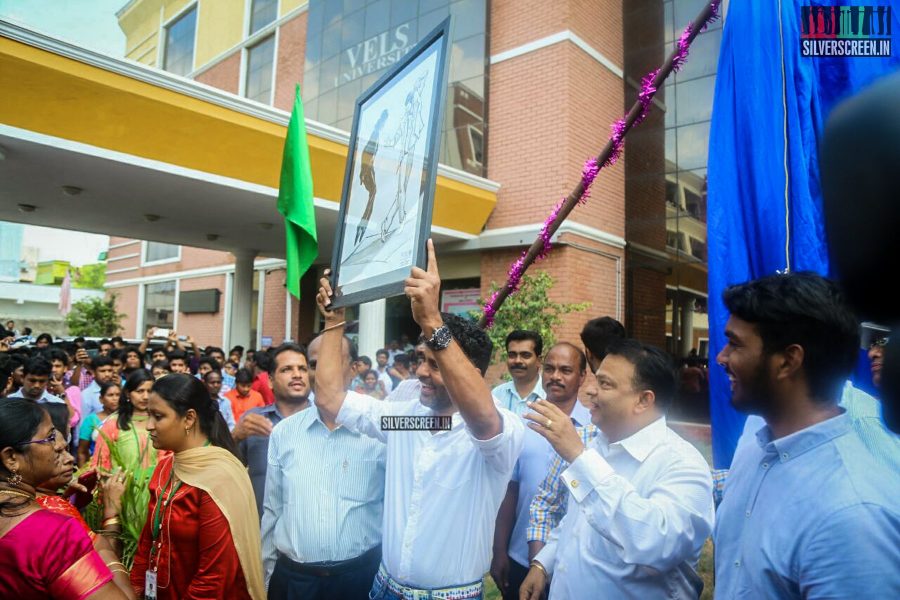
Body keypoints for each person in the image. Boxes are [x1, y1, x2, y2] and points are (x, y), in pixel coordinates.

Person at [315, 239, 524, 598]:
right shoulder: (407, 419)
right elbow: (331, 400)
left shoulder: (500, 431)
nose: (421, 372)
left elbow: (483, 423)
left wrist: (431, 319)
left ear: (470, 371)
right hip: (383, 587)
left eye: (435, 363)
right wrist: (335, 321)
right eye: (420, 359)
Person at [713, 272, 900, 598]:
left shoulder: (853, 515)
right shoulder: (755, 446)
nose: (721, 358)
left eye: (735, 343)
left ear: (788, 361)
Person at [520, 339, 714, 599]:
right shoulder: (599, 444)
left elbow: (655, 541)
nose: (591, 391)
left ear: (643, 400)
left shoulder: (681, 464)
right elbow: (578, 522)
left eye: (605, 384)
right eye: (596, 380)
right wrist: (543, 564)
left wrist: (578, 456)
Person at [262, 342, 385, 599]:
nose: (321, 373)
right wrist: (265, 578)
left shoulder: (380, 431)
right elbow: (273, 512)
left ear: (353, 369)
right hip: (296, 582)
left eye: (332, 362)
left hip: (361, 579)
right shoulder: (284, 433)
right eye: (314, 365)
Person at [130, 374, 265, 599]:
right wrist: (134, 591)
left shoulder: (219, 477)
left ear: (189, 418)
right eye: (148, 416)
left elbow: (215, 575)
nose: (149, 426)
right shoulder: (164, 468)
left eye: (158, 416)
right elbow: (148, 543)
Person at [0, 399, 133, 599]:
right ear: (11, 458)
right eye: (50, 437)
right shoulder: (54, 534)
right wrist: (101, 539)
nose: (61, 443)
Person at [491, 343, 591, 600]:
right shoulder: (521, 425)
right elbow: (509, 491)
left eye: (566, 370)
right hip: (520, 556)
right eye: (550, 369)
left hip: (575, 563)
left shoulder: (594, 430)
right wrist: (499, 550)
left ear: (582, 377)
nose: (555, 376)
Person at [234, 343, 319, 517]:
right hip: (261, 532)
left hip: (311, 531)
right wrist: (235, 436)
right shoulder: (253, 420)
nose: (297, 375)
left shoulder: (324, 421)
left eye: (302, 369)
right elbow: (224, 469)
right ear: (270, 381)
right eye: (287, 369)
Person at [92, 369, 161, 473]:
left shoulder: (161, 421)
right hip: (122, 486)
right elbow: (101, 462)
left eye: (150, 391)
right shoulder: (114, 423)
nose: (146, 397)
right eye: (139, 391)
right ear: (128, 394)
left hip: (158, 486)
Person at [492, 330, 545, 415]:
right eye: (512, 355)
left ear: (539, 360)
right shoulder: (497, 394)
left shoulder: (549, 396)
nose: (517, 361)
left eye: (525, 355)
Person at [78, 381, 120, 466]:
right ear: (101, 399)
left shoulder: (127, 419)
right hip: (98, 466)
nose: (115, 398)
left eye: (118, 395)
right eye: (110, 395)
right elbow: (82, 452)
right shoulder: (91, 420)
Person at [81, 356, 120, 421]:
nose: (107, 374)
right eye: (102, 371)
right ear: (93, 373)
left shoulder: (118, 389)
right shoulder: (86, 395)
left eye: (110, 371)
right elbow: (83, 423)